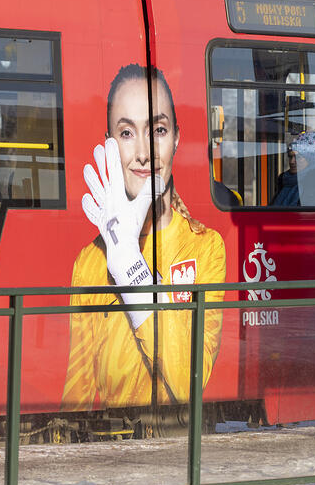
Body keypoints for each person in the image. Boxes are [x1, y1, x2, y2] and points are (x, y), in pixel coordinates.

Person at [61, 64, 226, 412]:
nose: (143, 153)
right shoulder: (89, 263)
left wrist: (132, 270)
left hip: (178, 450)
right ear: (108, 145)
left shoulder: (206, 248)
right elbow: (75, 396)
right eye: (126, 133)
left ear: (177, 138)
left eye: (159, 130)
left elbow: (188, 382)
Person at [271, 131, 315, 206]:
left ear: (310, 159)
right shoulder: (285, 180)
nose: (292, 162)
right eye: (290, 157)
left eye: (298, 157)